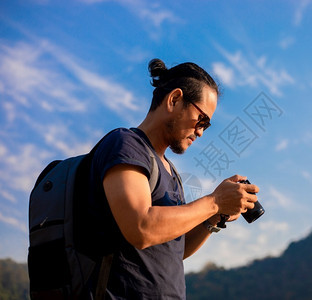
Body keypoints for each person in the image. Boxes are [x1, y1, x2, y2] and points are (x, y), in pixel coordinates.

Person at [81, 58, 259, 299]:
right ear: (174, 100)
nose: (201, 132)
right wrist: (214, 201)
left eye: (207, 126)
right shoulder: (125, 145)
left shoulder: (170, 171)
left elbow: (175, 247)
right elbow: (142, 228)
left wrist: (214, 217)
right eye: (202, 120)